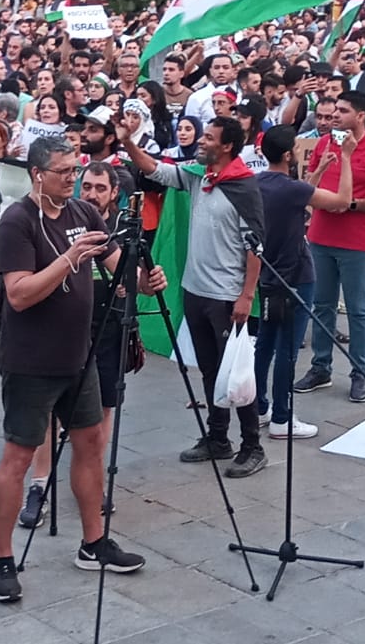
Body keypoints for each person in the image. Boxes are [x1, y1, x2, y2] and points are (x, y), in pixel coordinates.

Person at [0, 137, 159, 603]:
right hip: (31, 362)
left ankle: (93, 541)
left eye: (75, 170)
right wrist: (69, 258)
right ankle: (3, 559)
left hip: (79, 356)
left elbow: (116, 264)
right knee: (18, 457)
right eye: (63, 171)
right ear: (38, 173)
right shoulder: (17, 222)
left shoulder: (85, 214)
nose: (73, 178)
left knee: (90, 444)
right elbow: (19, 294)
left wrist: (143, 282)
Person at [121, 113, 268, 476]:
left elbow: (256, 247)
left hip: (226, 296)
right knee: (208, 369)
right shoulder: (198, 176)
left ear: (228, 146)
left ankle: (253, 445)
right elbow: (155, 169)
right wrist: (127, 141)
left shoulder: (243, 187)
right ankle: (218, 438)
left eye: (209, 138)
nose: (200, 142)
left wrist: (246, 296)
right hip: (194, 290)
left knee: (236, 372)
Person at [248, 125, 354, 444]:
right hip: (295, 276)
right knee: (287, 350)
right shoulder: (291, 189)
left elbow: (297, 199)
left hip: (267, 274)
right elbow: (342, 201)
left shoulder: (257, 183)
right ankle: (282, 416)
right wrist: (346, 158)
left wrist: (317, 172)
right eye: (295, 147)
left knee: (265, 343)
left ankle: (260, 407)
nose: (298, 150)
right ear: (286, 155)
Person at [294, 91, 365, 403]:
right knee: (322, 306)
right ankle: (320, 367)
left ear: (361, 115)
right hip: (321, 237)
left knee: (358, 309)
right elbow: (309, 186)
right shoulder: (326, 144)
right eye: (334, 110)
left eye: (343, 110)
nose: (335, 116)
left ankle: (359, 372)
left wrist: (352, 204)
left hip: (358, 241)